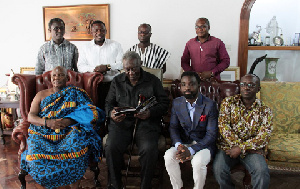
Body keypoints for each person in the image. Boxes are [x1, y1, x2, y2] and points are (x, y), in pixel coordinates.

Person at [20, 66, 105, 188]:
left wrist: (68, 121)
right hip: (43, 133)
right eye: (54, 75)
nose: (57, 78)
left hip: (68, 132)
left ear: (67, 78)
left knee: (78, 147)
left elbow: (89, 112)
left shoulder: (75, 93)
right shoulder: (41, 94)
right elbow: (31, 117)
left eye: (60, 75)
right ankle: (50, 182)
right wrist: (48, 123)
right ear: (50, 78)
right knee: (35, 156)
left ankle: (74, 185)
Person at [105, 51, 169, 189]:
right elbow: (108, 103)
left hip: (146, 124)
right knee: (111, 147)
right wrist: (112, 113)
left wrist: (150, 113)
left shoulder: (153, 81)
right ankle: (115, 185)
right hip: (121, 124)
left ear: (140, 64)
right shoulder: (117, 81)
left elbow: (164, 104)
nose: (131, 72)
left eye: (134, 68)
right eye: (127, 69)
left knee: (149, 149)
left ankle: (145, 186)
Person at [213, 74, 273, 189]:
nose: (246, 87)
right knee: (219, 169)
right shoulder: (228, 103)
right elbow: (223, 127)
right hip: (228, 147)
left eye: (251, 85)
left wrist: (241, 148)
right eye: (243, 84)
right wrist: (237, 146)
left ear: (258, 89)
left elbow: (264, 136)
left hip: (252, 150)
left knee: (261, 172)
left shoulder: (265, 110)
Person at [164, 71, 218, 189]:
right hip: (184, 143)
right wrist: (179, 145)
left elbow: (211, 135)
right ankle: (178, 187)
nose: (187, 87)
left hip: (204, 145)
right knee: (168, 156)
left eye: (191, 84)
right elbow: (173, 127)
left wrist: (192, 150)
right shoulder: (177, 103)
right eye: (183, 84)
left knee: (198, 162)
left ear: (199, 85)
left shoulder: (209, 105)